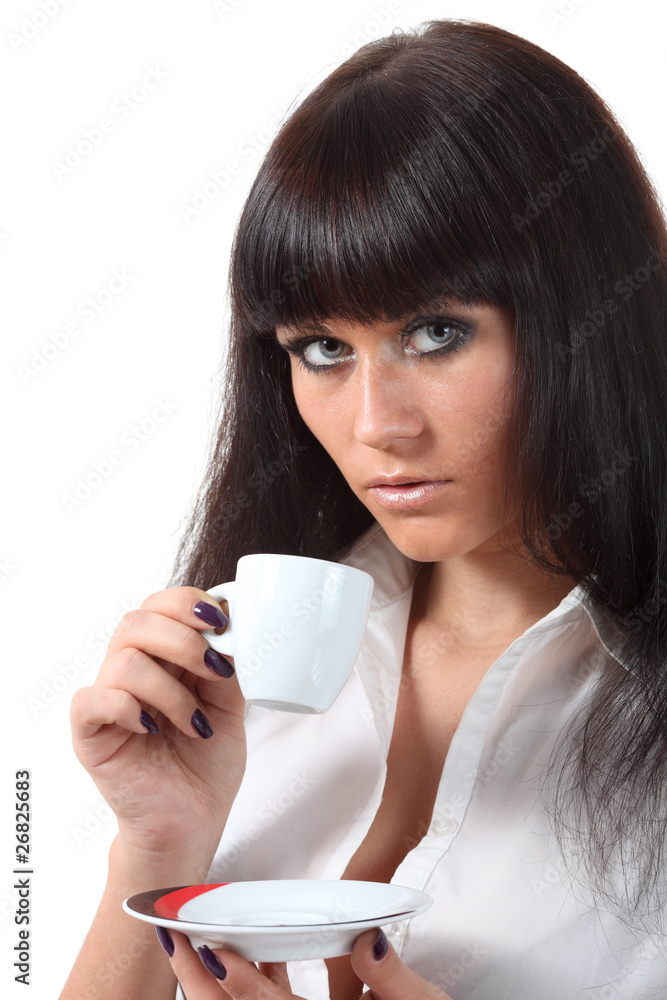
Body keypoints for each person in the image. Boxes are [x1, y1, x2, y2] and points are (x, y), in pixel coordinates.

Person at [59, 17, 667, 1000]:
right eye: (322, 349)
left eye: (435, 334)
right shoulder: (236, 673)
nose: (377, 424)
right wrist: (156, 845)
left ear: (583, 317)